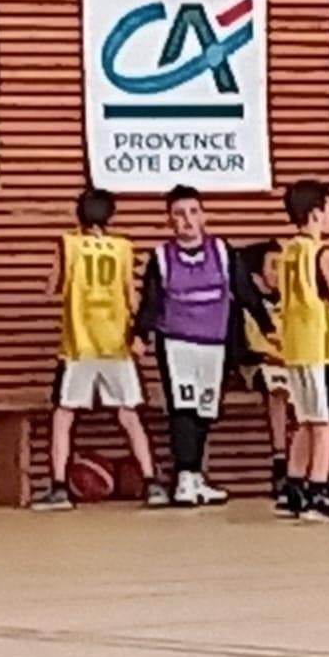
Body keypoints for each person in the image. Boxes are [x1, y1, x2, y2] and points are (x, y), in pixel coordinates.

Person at [135, 185, 275, 506]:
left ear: (204, 216)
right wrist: (140, 334)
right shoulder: (161, 257)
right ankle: (184, 477)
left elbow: (245, 291)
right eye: (179, 214)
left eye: (193, 212)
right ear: (169, 220)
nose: (187, 220)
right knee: (183, 409)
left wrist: (268, 326)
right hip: (177, 344)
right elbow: (151, 302)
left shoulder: (223, 252)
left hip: (214, 343)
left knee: (205, 410)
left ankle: (195, 474)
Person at [34, 187, 166, 511]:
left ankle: (59, 488)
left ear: (78, 213)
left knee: (64, 414)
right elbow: (132, 298)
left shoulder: (68, 244)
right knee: (129, 414)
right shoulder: (123, 247)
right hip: (116, 343)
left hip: (80, 344)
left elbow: (52, 287)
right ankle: (152, 484)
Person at [277, 180, 329, 523]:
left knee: (306, 420)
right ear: (315, 213)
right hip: (324, 347)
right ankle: (318, 491)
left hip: (295, 346)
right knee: (325, 423)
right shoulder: (323, 254)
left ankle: (294, 488)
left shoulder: (288, 252)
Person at [237, 240, 291, 497]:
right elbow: (241, 349)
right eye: (273, 266)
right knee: (277, 389)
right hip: (257, 365)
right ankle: (280, 461)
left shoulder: (292, 302)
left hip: (291, 364)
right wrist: (268, 357)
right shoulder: (245, 304)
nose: (279, 272)